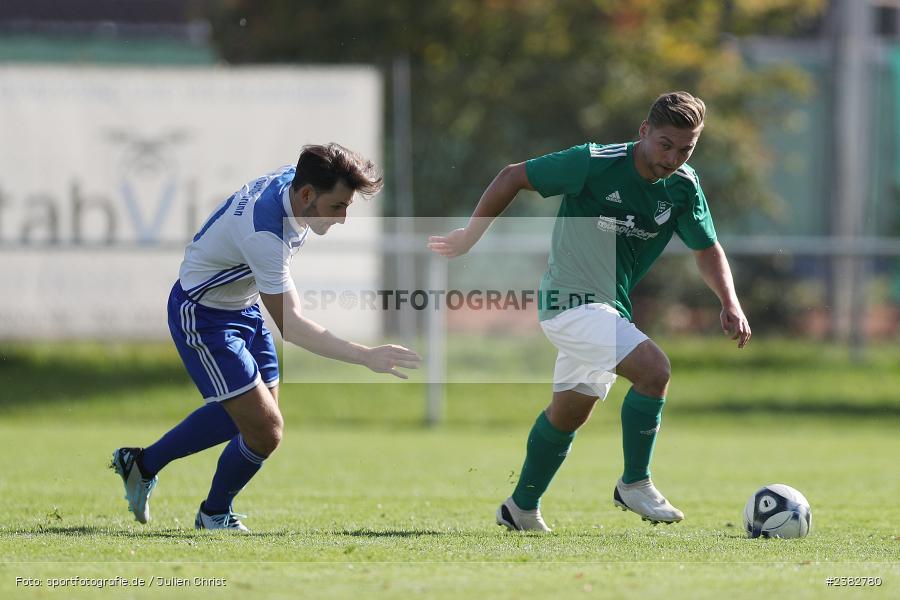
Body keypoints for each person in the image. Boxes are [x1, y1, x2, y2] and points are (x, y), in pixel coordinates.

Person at [428, 92, 750, 532]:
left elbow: (706, 247)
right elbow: (512, 176)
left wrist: (729, 301)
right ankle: (634, 482)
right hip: (568, 301)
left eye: (686, 148)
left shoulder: (683, 186)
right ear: (643, 131)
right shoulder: (594, 162)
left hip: (608, 308)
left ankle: (520, 507)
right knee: (654, 369)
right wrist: (470, 235)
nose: (673, 157)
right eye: (665, 144)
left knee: (569, 414)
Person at [111, 143, 421, 531]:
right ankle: (213, 514)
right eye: (337, 207)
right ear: (307, 195)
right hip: (204, 315)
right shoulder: (265, 235)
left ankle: (142, 464)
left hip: (244, 304)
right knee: (266, 429)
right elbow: (292, 326)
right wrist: (365, 356)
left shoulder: (297, 182)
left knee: (254, 423)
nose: (342, 218)